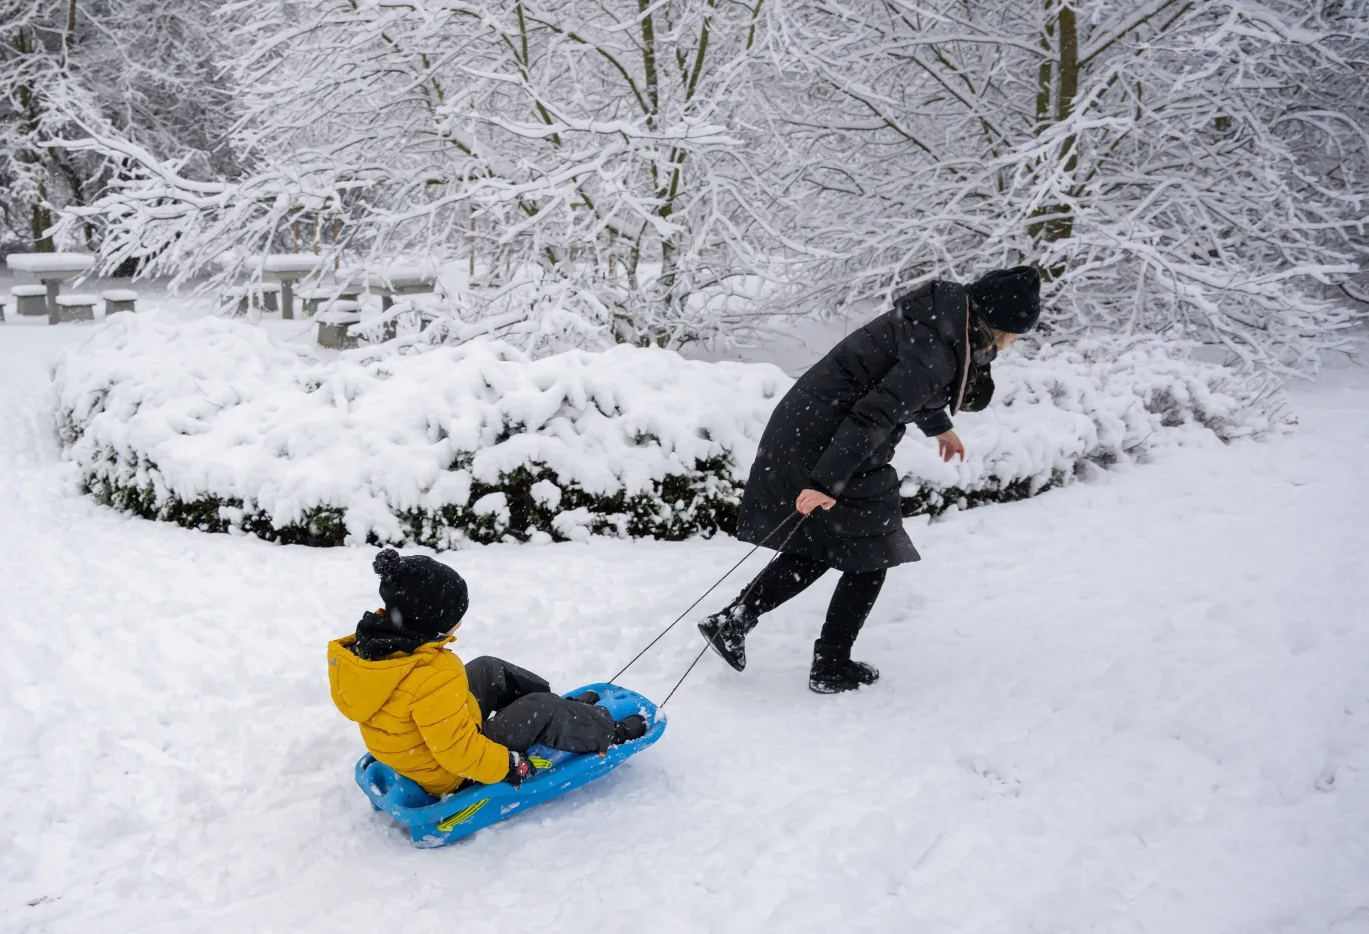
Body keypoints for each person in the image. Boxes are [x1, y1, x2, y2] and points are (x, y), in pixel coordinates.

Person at [698, 265, 1042, 694]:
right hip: (832, 438)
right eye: (1014, 336)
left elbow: (903, 384)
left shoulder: (938, 324)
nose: (1010, 347)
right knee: (871, 552)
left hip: (814, 429)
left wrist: (938, 426)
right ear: (999, 326)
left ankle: (733, 622)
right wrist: (825, 483)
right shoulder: (938, 347)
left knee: (831, 543)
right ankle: (829, 666)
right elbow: (878, 410)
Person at [328, 548, 648, 797]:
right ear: (431, 624)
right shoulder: (434, 674)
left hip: (419, 747)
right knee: (540, 710)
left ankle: (564, 713)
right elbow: (458, 753)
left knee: (487, 668)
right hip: (448, 771)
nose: (461, 621)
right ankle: (604, 732)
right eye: (456, 615)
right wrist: (509, 764)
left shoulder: (374, 648)